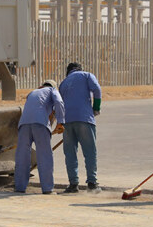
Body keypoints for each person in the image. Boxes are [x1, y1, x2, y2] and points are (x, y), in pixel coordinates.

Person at [14, 80, 65, 194]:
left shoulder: (33, 92)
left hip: (23, 125)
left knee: (22, 157)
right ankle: (47, 189)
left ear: (41, 86)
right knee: (44, 156)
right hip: (40, 124)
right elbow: (59, 102)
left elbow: (38, 109)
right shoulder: (52, 90)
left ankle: (20, 187)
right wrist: (61, 122)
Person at [59, 62, 102, 193]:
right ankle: (92, 183)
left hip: (67, 121)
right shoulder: (87, 75)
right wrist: (96, 107)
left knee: (70, 153)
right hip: (84, 119)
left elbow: (59, 103)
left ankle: (73, 184)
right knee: (90, 152)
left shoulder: (63, 83)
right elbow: (97, 89)